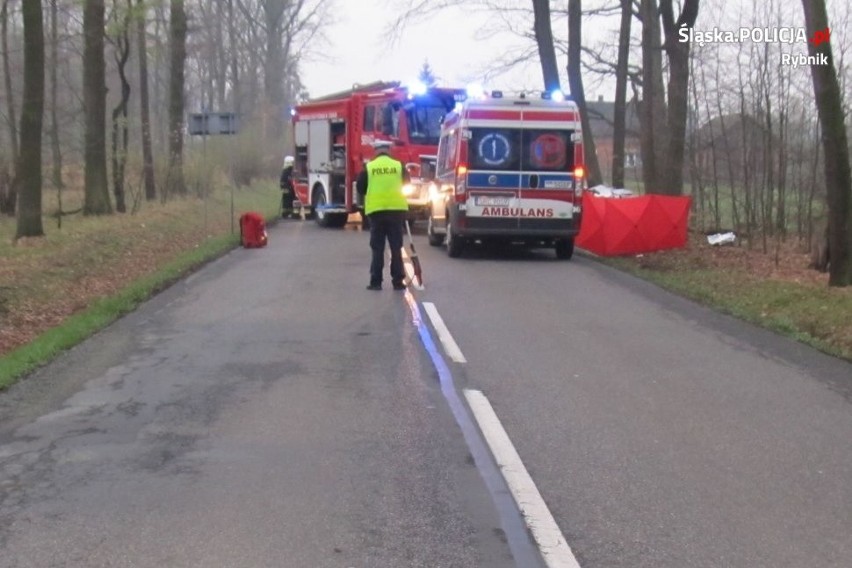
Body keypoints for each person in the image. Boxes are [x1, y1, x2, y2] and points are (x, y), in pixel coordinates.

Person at [356, 140, 409, 291]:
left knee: (377, 247)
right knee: (396, 247)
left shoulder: (369, 167)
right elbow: (407, 184)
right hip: (396, 211)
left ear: (376, 151)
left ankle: (376, 282)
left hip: (376, 212)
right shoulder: (399, 166)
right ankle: (398, 281)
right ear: (389, 151)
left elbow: (360, 187)